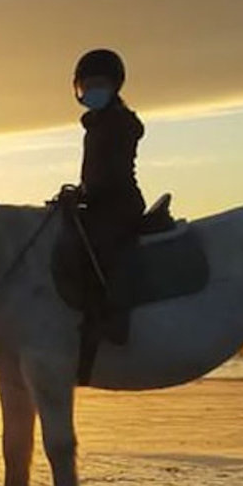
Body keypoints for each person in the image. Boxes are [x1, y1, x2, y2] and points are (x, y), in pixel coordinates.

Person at [72, 48, 145, 343]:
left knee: (98, 249)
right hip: (99, 202)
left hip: (118, 205)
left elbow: (111, 173)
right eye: (86, 86)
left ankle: (114, 318)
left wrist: (86, 194)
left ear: (114, 86)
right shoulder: (97, 123)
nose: (91, 91)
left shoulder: (118, 122)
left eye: (98, 85)